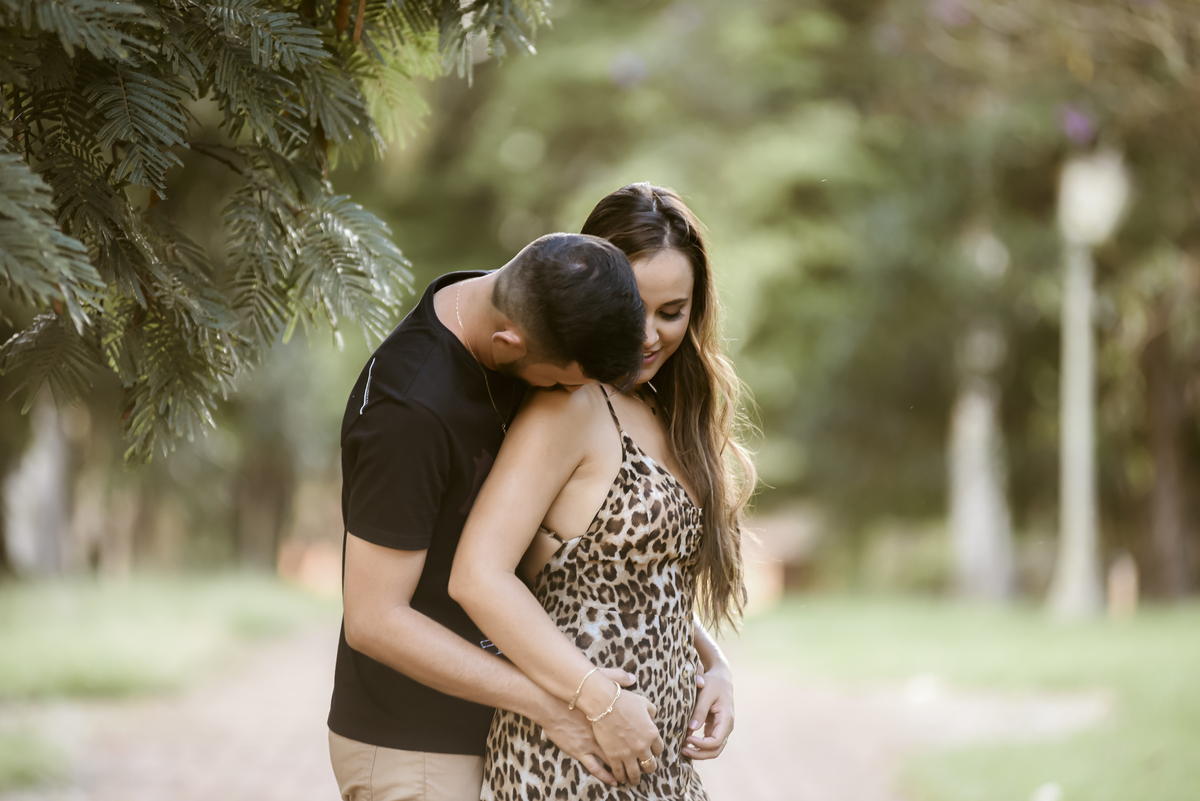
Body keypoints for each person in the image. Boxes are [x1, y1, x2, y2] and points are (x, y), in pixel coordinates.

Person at [450, 183, 756, 800]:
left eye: (672, 312)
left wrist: (712, 663)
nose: (647, 336)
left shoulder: (665, 411)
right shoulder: (571, 406)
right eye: (633, 308)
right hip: (573, 762)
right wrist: (598, 695)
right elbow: (477, 576)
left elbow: (637, 581)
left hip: (657, 763)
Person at [328, 232, 649, 801]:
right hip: (416, 750)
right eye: (557, 382)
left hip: (490, 731)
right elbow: (374, 620)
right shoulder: (408, 413)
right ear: (508, 341)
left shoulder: (529, 308)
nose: (559, 396)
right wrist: (550, 703)